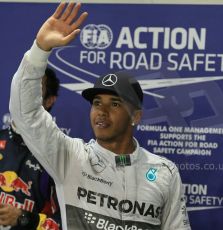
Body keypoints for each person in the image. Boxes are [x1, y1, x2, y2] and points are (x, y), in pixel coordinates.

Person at [9, 2, 191, 230]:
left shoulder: (165, 172)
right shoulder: (71, 158)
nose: (101, 111)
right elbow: (26, 114)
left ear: (136, 116)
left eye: (114, 103)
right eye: (97, 103)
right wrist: (39, 50)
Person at [0, 68, 61, 229]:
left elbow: (67, 222)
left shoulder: (59, 155)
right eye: (22, 85)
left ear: (49, 101)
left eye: (35, 88)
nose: (23, 94)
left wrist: (25, 219)